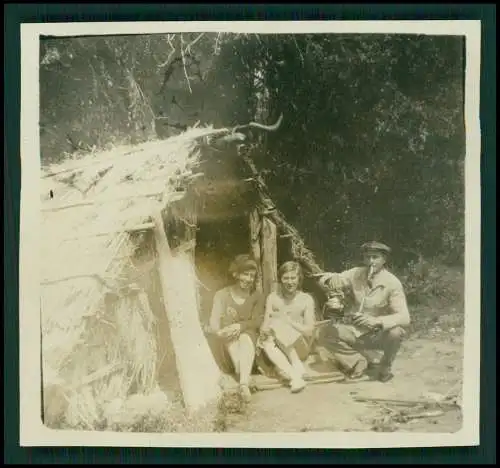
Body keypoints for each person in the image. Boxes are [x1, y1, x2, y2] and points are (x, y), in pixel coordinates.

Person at [317, 241, 410, 383]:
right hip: (355, 330)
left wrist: (377, 321)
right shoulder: (356, 273)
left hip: (377, 333)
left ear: (384, 260)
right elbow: (328, 278)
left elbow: (404, 317)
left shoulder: (392, 283)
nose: (371, 261)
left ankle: (384, 367)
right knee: (324, 332)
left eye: (375, 257)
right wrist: (331, 279)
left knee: (396, 332)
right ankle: (358, 362)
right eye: (367, 257)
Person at [208, 254, 265, 402]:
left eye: (252, 276)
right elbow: (214, 322)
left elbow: (258, 321)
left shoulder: (256, 296)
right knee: (233, 340)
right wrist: (220, 332)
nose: (248, 279)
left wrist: (241, 326)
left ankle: (243, 384)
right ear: (236, 274)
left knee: (246, 337)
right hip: (228, 346)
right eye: (245, 274)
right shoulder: (222, 295)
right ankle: (242, 375)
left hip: (250, 348)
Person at [258, 261, 316, 393]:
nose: (290, 282)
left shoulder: (306, 299)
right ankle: (295, 376)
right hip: (278, 349)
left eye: (293, 278)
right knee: (267, 340)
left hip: (301, 346)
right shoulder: (273, 298)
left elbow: (309, 331)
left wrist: (288, 321)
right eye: (286, 278)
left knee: (278, 321)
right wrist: (263, 332)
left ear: (299, 279)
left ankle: (295, 366)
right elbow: (266, 323)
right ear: (280, 280)